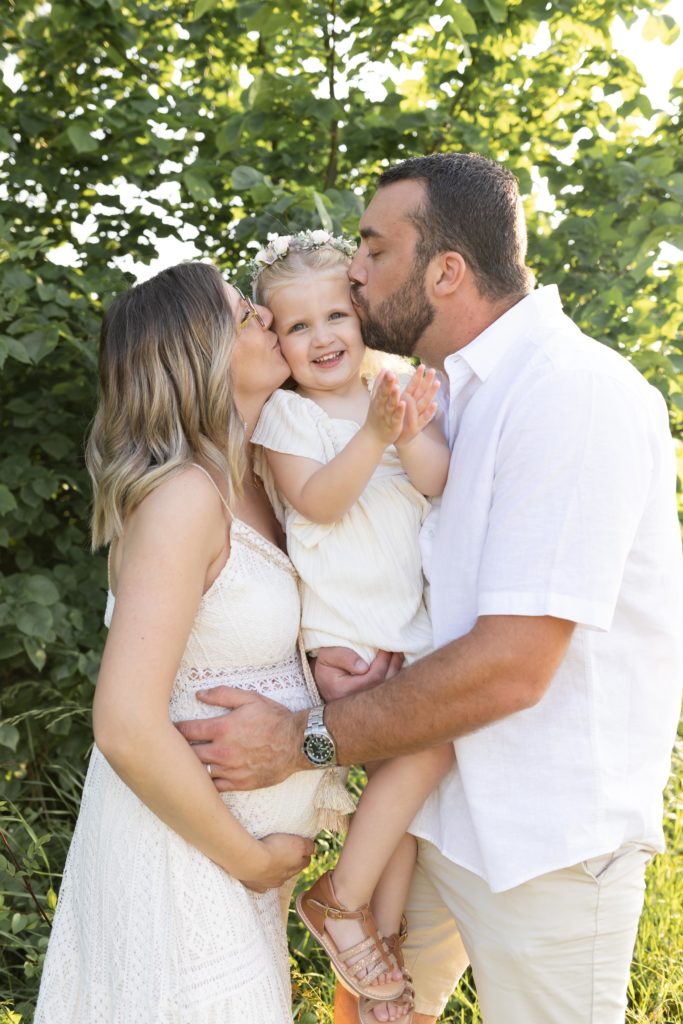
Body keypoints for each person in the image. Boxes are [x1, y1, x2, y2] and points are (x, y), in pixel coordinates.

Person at [177, 153, 683, 1024]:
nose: (357, 275)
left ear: (445, 271)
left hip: (542, 844)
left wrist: (306, 739)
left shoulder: (570, 395)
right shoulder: (445, 393)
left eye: (372, 252)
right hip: (437, 812)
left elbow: (511, 667)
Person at [35, 261, 353, 1024]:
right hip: (182, 861)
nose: (272, 321)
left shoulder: (261, 482)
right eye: (248, 315)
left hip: (231, 869)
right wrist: (250, 861)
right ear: (198, 353)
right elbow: (124, 723)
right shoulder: (181, 498)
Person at [249, 231, 453, 1023]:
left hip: (408, 629)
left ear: (362, 314)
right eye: (297, 327)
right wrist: (373, 431)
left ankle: (380, 959)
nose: (322, 336)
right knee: (422, 755)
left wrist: (404, 427)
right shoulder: (288, 418)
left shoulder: (392, 385)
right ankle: (339, 903)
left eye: (336, 313)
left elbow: (436, 481)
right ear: (277, 340)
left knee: (400, 803)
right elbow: (319, 502)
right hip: (345, 636)